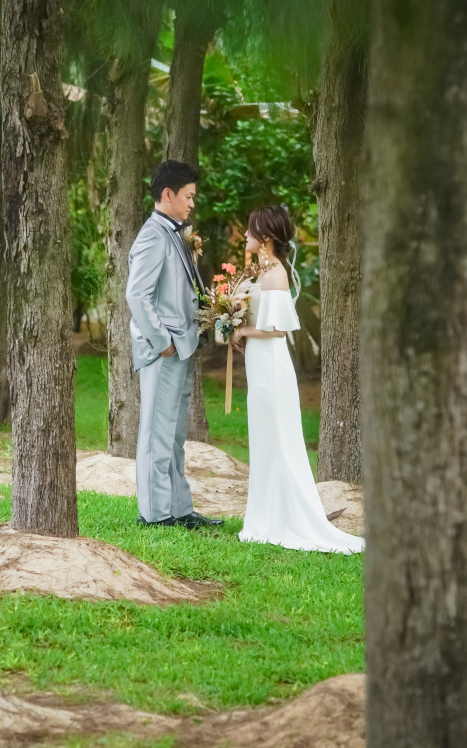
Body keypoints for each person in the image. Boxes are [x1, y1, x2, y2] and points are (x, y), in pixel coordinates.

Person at [231, 205, 364, 554]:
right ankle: (266, 515)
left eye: (249, 231)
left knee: (277, 440)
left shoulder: (274, 273)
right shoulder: (260, 271)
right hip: (259, 364)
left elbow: (275, 332)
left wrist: (241, 329)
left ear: (266, 238)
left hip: (271, 367)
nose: (245, 236)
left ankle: (283, 518)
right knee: (264, 441)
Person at [125, 160, 223, 529]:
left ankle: (180, 509)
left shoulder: (175, 233)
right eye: (188, 196)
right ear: (168, 194)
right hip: (164, 351)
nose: (192, 203)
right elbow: (137, 295)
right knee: (155, 432)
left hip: (183, 347)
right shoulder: (153, 234)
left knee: (175, 433)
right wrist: (163, 342)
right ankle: (154, 514)